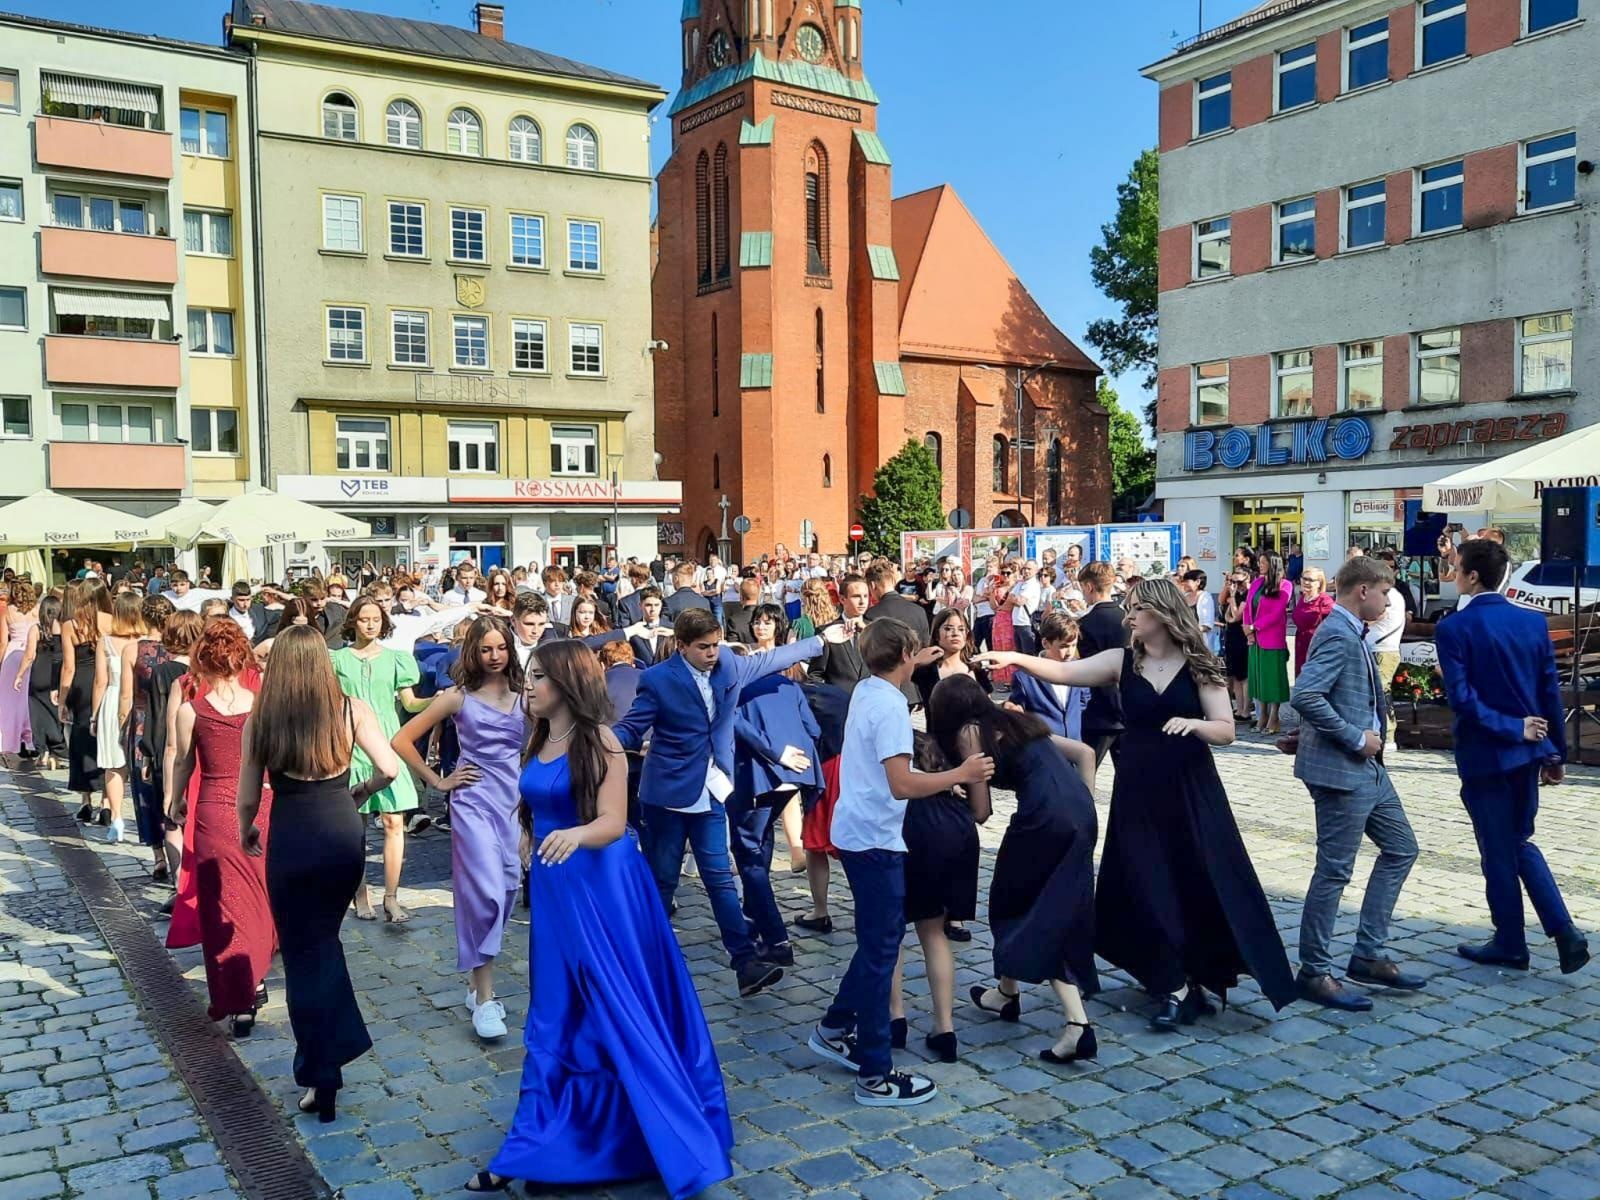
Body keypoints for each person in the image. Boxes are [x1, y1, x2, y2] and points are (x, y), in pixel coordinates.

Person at [468, 639, 733, 1197]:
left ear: (567, 683)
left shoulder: (603, 742)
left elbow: (613, 821)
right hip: (558, 887)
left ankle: (659, 1134)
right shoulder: (540, 735)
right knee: (556, 1012)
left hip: (604, 886)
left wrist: (573, 833)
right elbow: (537, 800)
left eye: (538, 677)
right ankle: (548, 1140)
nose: (529, 686)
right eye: (529, 676)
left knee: (618, 1003)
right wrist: (527, 832)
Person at [978, 578, 1297, 1030]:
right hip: (1138, 786)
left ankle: (1195, 973)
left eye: (1137, 610)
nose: (1128, 618)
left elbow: (1225, 729)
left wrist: (1194, 724)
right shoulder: (1121, 661)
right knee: (1146, 879)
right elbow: (1065, 672)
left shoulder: (1198, 664)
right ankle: (1170, 983)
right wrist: (1012, 657)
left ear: (1162, 614)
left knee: (1197, 877)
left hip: (1190, 788)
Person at [807, 619, 993, 1107]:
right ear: (907, 654)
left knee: (877, 944)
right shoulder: (890, 708)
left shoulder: (868, 687)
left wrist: (914, 657)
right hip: (874, 840)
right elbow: (902, 784)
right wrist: (961, 772)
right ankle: (875, 1072)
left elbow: (893, 665)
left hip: (859, 830)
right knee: (880, 951)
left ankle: (832, 1029)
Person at [613, 608, 833, 997]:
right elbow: (633, 726)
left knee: (720, 878)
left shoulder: (728, 664)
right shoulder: (658, 680)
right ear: (681, 646)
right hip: (666, 795)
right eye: (703, 648)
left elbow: (772, 659)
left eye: (716, 645)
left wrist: (821, 641)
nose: (712, 653)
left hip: (711, 791)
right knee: (663, 880)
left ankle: (745, 963)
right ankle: (642, 960)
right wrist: (605, 743)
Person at [238, 625, 398, 1123]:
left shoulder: (262, 719)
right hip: (340, 829)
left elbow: (247, 796)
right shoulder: (351, 708)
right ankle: (330, 1060)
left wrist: (246, 830)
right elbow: (390, 768)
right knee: (324, 942)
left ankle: (321, 1071)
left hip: (293, 832)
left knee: (304, 954)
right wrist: (361, 791)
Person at [1435, 539, 1589, 975]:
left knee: (1499, 849)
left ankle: (1515, 940)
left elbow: (1463, 699)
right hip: (1527, 754)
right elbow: (1548, 692)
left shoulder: (1454, 628)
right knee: (1517, 842)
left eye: (1455, 565)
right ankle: (1556, 933)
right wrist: (1554, 752)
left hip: (1487, 753)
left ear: (1473, 576)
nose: (1452, 571)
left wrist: (1511, 728)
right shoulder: (1531, 623)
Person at [930, 674, 1101, 1065]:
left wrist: (948, 787)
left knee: (1033, 914)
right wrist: (1081, 807)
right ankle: (1005, 993)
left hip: (1042, 821)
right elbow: (1085, 753)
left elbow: (981, 812)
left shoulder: (971, 733)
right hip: (1078, 815)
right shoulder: (1014, 719)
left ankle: (1077, 1025)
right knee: (1015, 898)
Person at [1286, 556, 1424, 1011]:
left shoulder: (1352, 631)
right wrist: (1351, 736)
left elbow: (1335, 696)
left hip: (1367, 766)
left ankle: (1367, 953)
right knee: (1334, 871)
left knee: (1402, 847)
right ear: (1362, 590)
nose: (1388, 602)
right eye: (1384, 593)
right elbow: (1305, 693)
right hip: (1344, 770)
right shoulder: (1340, 633)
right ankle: (1315, 970)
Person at [393, 616, 527, 1039]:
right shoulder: (457, 698)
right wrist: (437, 781)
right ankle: (486, 999)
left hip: (514, 804)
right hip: (471, 804)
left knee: (508, 889)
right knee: (484, 893)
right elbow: (402, 740)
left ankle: (475, 981)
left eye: (500, 648)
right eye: (486, 649)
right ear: (473, 651)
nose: (494, 656)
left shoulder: (527, 698)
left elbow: (541, 747)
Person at [167, 621, 278, 1035]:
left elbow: (183, 763)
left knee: (222, 905)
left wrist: (176, 800)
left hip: (214, 810)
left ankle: (239, 996)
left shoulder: (190, 710)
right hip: (262, 805)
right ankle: (257, 975)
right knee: (259, 897)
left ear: (202, 660)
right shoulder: (261, 703)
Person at [886, 730, 982, 1063]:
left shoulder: (899, 782)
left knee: (891, 931)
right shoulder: (950, 790)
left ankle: (894, 1018)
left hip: (911, 831)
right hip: (955, 831)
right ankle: (945, 1027)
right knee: (934, 933)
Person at [332, 596, 429, 922]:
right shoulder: (338, 660)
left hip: (387, 743)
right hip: (351, 745)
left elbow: (411, 703)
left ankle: (391, 896)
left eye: (376, 618)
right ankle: (360, 895)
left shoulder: (397, 660)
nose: (370, 624)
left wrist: (439, 702)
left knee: (394, 822)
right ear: (353, 622)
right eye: (364, 618)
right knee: (354, 827)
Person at [127, 594, 176, 878]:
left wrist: (121, 724)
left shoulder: (134, 650)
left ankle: (158, 854)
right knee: (170, 783)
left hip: (143, 721)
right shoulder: (178, 648)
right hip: (172, 720)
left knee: (143, 787)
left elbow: (126, 695)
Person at [91, 591, 143, 843]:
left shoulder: (106, 641)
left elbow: (100, 681)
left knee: (114, 765)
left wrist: (94, 715)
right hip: (141, 700)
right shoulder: (145, 641)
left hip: (112, 700)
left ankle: (117, 819)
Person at [60, 578, 112, 824]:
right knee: (106, 737)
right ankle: (106, 802)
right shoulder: (112, 622)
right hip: (106, 680)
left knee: (81, 740)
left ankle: (85, 800)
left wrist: (62, 700)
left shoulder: (70, 625)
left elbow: (68, 667)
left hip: (80, 682)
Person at [1075, 562, 1128, 764]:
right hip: (1129, 706)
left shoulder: (1085, 623)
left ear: (1089, 587)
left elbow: (1089, 668)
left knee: (1084, 772)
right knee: (1130, 777)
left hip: (1098, 710)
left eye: (1082, 589)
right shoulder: (1128, 618)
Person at [1007, 612, 1090, 740]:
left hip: (1075, 744)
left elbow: (1083, 699)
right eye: (1063, 646)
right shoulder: (1025, 677)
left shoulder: (1078, 668)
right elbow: (1019, 713)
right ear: (1046, 643)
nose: (1070, 652)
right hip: (1045, 746)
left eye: (1074, 645)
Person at [1245, 552, 1294, 735]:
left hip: (1272, 637)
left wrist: (1254, 626)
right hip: (1254, 637)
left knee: (1273, 678)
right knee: (1258, 678)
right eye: (1259, 562)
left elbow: (1276, 612)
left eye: (1263, 562)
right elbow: (1249, 605)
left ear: (1273, 564)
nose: (1260, 565)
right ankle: (1262, 715)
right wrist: (1247, 628)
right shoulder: (1257, 582)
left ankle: (1274, 716)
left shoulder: (1285, 585)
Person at [911, 609, 991, 711]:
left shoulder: (976, 668)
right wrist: (916, 661)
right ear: (936, 634)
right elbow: (894, 677)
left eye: (961, 629)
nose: (955, 634)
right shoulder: (926, 670)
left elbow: (989, 708)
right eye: (948, 629)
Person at [23, 595, 65, 772]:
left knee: (37, 714)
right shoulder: (64, 628)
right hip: (56, 674)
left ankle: (43, 752)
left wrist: (19, 675)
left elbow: (29, 655)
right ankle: (56, 752)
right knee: (56, 713)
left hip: (39, 674)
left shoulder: (36, 629)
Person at [0, 580, 38, 767]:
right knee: (28, 698)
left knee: (9, 701)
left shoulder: (8, 611)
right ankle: (30, 738)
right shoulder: (37, 610)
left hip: (13, 653)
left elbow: (2, 641)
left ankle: (10, 740)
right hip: (32, 652)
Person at [1220, 569, 1253, 720]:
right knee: (1234, 676)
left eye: (1239, 582)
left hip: (1242, 635)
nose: (1236, 585)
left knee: (1244, 675)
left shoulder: (1248, 594)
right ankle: (1239, 709)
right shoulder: (1235, 593)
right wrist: (1226, 587)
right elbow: (1221, 602)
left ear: (1248, 579)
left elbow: (1237, 615)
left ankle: (1246, 709)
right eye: (1233, 582)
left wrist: (1232, 597)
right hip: (1231, 634)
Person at [1291, 567, 1335, 677]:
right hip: (1301, 645)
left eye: (1310, 580)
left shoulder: (1325, 601)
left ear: (1319, 583)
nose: (1306, 582)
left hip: (1317, 649)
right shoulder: (1303, 598)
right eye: (1304, 578)